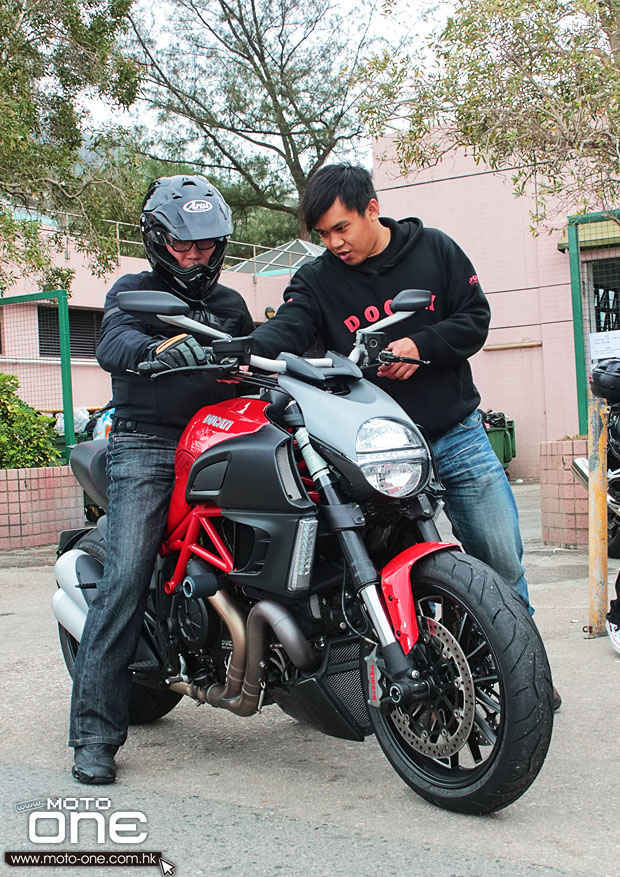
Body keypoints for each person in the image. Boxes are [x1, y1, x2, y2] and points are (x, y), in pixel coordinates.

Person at [251, 162, 561, 710]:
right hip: (373, 449)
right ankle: (430, 677)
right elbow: (290, 327)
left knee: (500, 561)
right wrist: (246, 347)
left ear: (372, 207)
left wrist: (420, 347)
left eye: (341, 228)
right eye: (323, 234)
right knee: (408, 573)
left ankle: (525, 679)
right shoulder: (318, 279)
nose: (334, 243)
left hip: (456, 433)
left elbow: (475, 319)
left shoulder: (435, 250)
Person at [69, 175, 255, 784]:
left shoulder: (229, 305)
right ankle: (95, 735)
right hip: (150, 445)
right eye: (183, 245)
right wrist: (156, 353)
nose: (196, 256)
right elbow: (115, 340)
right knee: (124, 575)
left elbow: (254, 353)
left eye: (206, 245)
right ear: (157, 241)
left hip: (224, 435)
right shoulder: (133, 290)